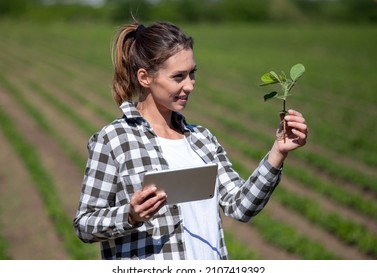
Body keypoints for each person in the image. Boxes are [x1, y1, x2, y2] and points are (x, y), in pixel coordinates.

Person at [73, 21, 308, 260]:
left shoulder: (202, 140)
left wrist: (278, 151)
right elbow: (84, 225)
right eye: (178, 77)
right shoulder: (114, 140)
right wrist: (130, 215)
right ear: (144, 77)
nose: (190, 85)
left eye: (192, 74)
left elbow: (241, 207)